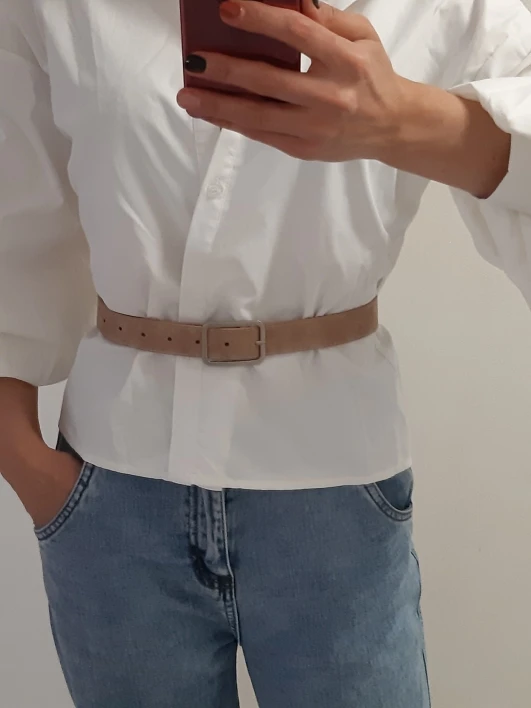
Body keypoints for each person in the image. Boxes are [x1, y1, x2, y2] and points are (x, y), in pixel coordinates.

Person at [1, 0, 530, 706]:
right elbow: (12, 213)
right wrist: (26, 466)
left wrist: (404, 118)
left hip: (334, 492)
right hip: (111, 496)